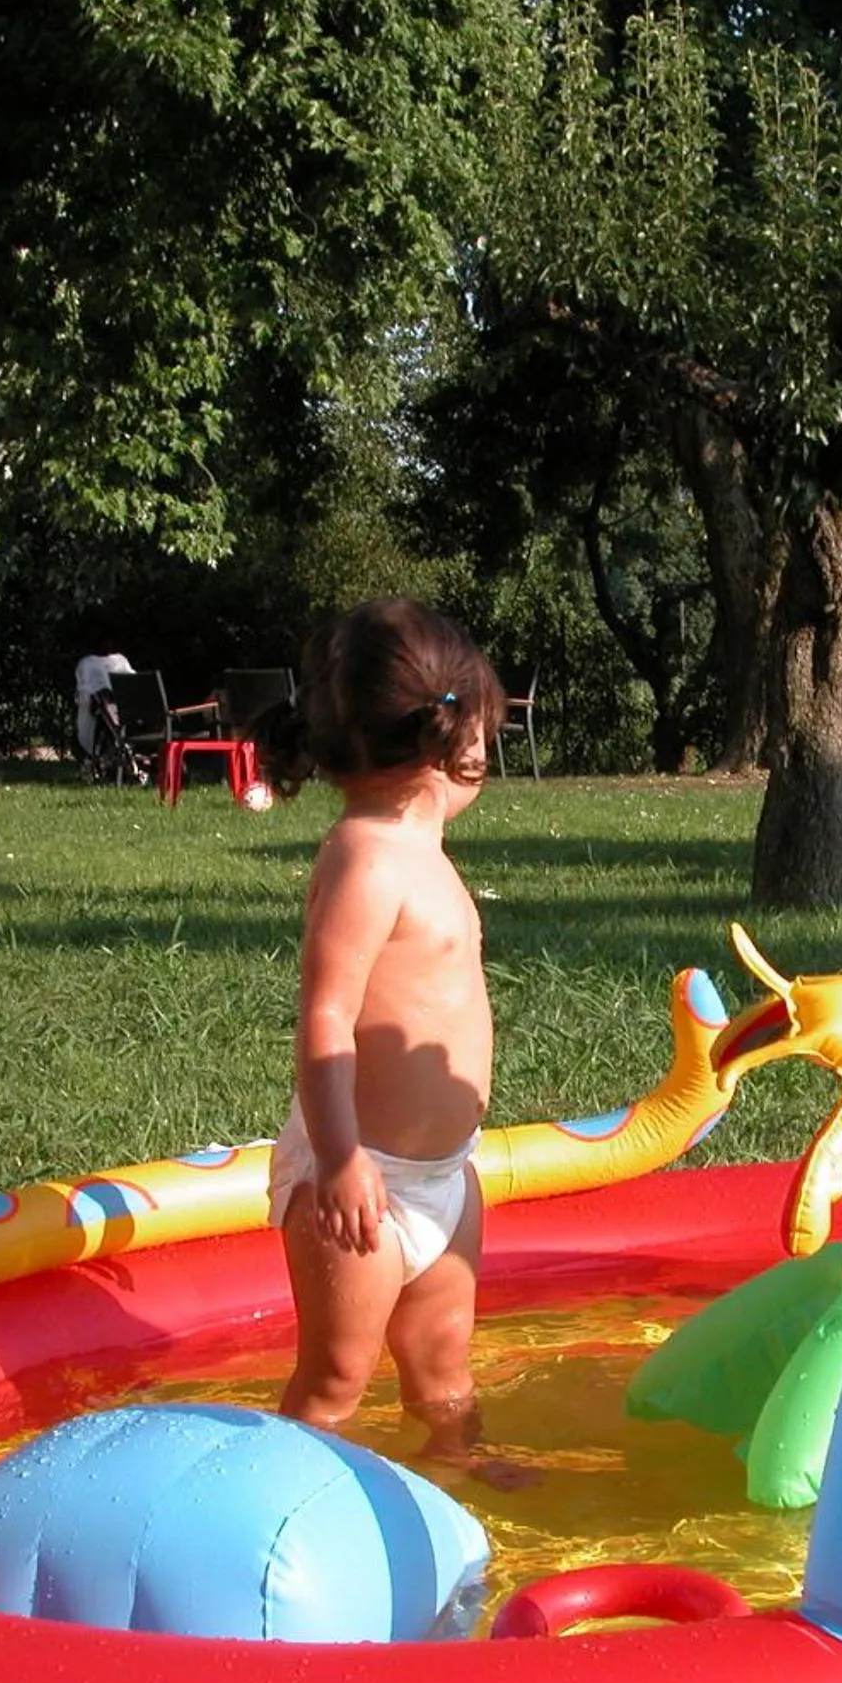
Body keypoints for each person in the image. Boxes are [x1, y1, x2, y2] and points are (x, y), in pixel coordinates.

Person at [255, 599, 523, 1481]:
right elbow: (325, 1014)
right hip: (360, 1182)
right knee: (335, 1381)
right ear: (460, 736)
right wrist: (337, 1161)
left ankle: (458, 1478)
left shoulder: (421, 849)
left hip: (442, 1180)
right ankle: (274, 1513)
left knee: (444, 1369)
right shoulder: (365, 859)